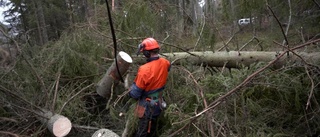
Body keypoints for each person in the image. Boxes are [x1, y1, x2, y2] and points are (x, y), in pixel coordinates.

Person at [128, 37, 171, 137]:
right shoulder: (165, 62)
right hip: (159, 103)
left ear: (147, 53)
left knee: (142, 132)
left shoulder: (144, 70)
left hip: (147, 107)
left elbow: (135, 94)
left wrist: (130, 89)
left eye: (144, 53)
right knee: (152, 130)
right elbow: (168, 67)